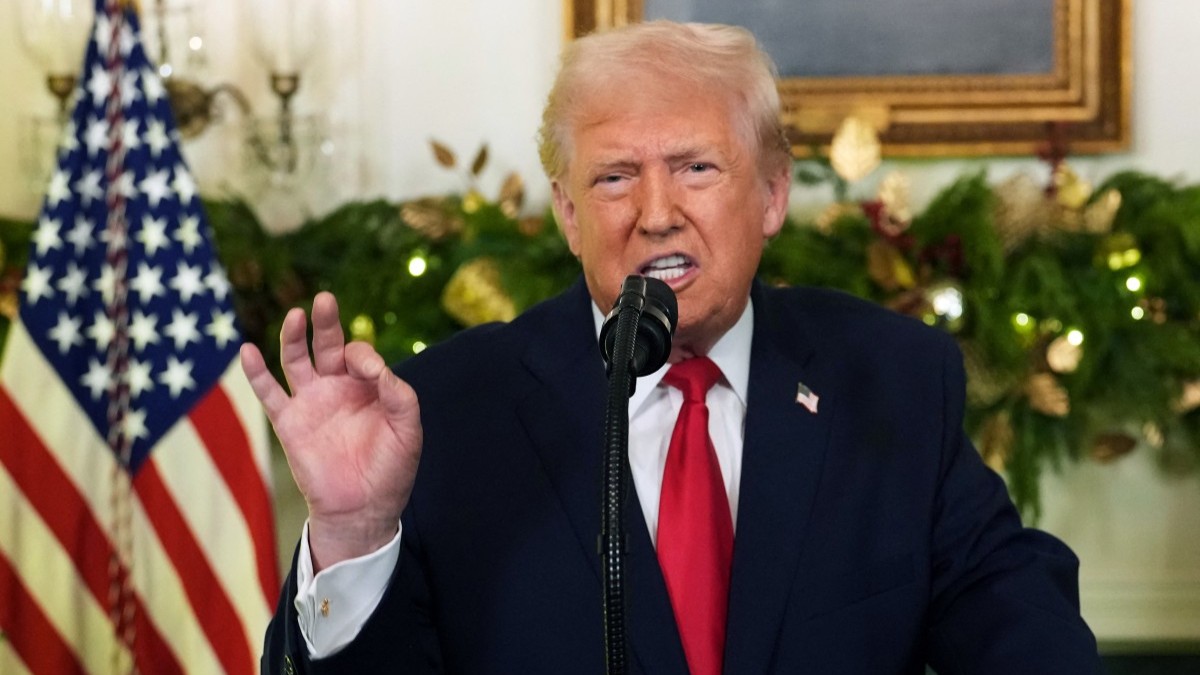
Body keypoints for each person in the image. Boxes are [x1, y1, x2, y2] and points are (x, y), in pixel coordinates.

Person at [243, 20, 1102, 674]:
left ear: (771, 195)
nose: (655, 213)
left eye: (696, 168)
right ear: (571, 216)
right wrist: (354, 533)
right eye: (615, 177)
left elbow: (1016, 622)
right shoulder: (448, 410)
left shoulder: (893, 378)